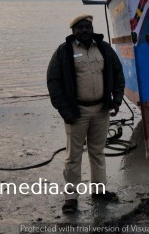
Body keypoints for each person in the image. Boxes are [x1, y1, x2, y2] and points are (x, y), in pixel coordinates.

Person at [46, 13, 125, 214]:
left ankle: (99, 190)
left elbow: (117, 73)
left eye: (87, 27)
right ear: (73, 31)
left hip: (101, 110)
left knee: (97, 151)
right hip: (76, 112)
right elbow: (54, 82)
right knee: (73, 156)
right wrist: (65, 110)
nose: (84, 30)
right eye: (80, 27)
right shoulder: (64, 52)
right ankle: (71, 197)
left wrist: (116, 100)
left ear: (92, 28)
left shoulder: (104, 49)